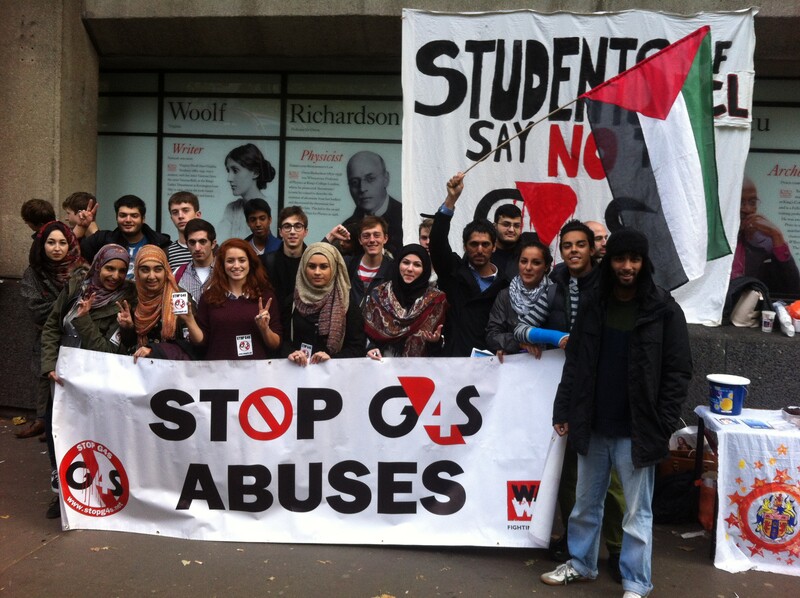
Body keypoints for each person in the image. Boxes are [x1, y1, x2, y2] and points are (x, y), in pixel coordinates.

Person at [541, 229, 692, 598]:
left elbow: (678, 371)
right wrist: (564, 408)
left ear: (644, 263)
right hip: (593, 422)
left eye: (634, 260)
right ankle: (581, 564)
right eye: (620, 259)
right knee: (584, 504)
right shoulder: (595, 301)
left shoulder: (664, 309)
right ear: (609, 262)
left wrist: (663, 422)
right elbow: (576, 362)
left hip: (637, 430)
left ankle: (636, 583)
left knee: (637, 514)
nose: (626, 267)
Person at [514, 219, 625, 577]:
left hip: (607, 387)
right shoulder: (556, 285)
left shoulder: (610, 285)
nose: (574, 251)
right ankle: (579, 552)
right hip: (570, 387)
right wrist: (555, 336)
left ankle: (620, 550)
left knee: (612, 480)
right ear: (560, 252)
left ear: (593, 249)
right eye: (567, 245)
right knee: (572, 476)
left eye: (580, 244)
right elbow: (519, 328)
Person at [40, 244, 135, 519]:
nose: (115, 275)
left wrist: (83, 320)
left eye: (120, 270)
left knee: (89, 438)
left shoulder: (124, 301)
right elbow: (51, 327)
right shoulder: (76, 288)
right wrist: (48, 366)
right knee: (57, 433)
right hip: (59, 378)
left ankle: (91, 494)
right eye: (109, 268)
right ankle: (61, 492)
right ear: (97, 266)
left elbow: (108, 352)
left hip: (93, 382)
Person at [17, 222, 85, 440]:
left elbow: (86, 305)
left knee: (70, 378)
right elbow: (35, 309)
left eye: (63, 242)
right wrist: (66, 305)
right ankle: (41, 420)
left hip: (77, 336)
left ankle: (60, 424)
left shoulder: (82, 270)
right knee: (43, 375)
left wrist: (60, 308)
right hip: (45, 334)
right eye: (51, 242)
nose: (57, 248)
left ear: (71, 244)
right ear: (42, 245)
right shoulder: (34, 273)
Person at [429, 172, 509, 356]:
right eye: (474, 244)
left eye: (485, 244)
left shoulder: (506, 284)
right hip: (456, 361)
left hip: (493, 364)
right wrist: (451, 200)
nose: (480, 249)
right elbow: (437, 241)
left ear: (494, 247)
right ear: (465, 247)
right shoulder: (453, 273)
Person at [181, 239, 281, 360]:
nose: (236, 266)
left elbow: (275, 344)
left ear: (250, 263)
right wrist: (189, 320)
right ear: (222, 265)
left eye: (242, 260)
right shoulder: (209, 297)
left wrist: (265, 329)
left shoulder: (265, 297)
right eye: (230, 261)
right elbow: (201, 342)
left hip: (256, 372)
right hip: (219, 372)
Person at [284, 243, 366, 365]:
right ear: (303, 268)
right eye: (311, 266)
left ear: (333, 268)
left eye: (323, 267)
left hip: (333, 378)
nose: (317, 272)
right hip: (297, 373)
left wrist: (332, 359)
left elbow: (357, 347)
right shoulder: (293, 301)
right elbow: (283, 340)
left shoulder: (346, 303)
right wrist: (291, 353)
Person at [363, 243, 447, 359]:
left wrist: (435, 342)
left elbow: (443, 348)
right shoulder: (379, 294)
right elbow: (366, 334)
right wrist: (370, 348)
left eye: (417, 265)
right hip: (382, 367)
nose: (410, 269)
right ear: (398, 264)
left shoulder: (436, 300)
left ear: (425, 269)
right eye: (406, 262)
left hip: (420, 371)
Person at [118, 246, 195, 361]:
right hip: (139, 369)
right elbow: (128, 344)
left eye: (158, 269)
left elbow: (190, 345)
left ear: (166, 271)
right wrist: (127, 329)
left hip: (172, 370)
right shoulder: (132, 298)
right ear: (137, 272)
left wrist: (155, 350)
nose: (151, 276)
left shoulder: (179, 299)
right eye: (145, 270)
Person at [486, 235, 552, 360]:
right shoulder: (505, 295)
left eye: (536, 262)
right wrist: (518, 343)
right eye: (523, 261)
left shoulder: (555, 294)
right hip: (516, 369)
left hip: (549, 366)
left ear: (546, 266)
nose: (528, 268)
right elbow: (492, 334)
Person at [731, 176, 800, 296]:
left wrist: (777, 236)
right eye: (741, 202)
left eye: (752, 202)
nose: (747, 209)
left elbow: (794, 290)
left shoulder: (765, 243)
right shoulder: (712, 241)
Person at [77, 195, 171, 278]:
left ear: (143, 219)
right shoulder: (103, 240)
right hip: (112, 296)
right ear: (116, 218)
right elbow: (71, 255)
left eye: (134, 216)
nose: (128, 220)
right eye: (123, 215)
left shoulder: (160, 243)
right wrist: (81, 227)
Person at [341, 151, 403, 256]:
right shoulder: (347, 228)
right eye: (355, 182)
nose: (362, 188)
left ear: (386, 179)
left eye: (370, 179)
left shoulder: (405, 218)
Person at [219, 143, 276, 241]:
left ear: (255, 172)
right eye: (229, 171)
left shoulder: (273, 207)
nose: (229, 178)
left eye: (235, 171)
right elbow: (221, 243)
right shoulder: (232, 208)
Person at [261, 206, 309, 313]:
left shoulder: (312, 262)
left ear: (305, 232)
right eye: (287, 226)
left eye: (298, 226)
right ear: (280, 232)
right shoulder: (265, 262)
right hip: (274, 321)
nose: (292, 231)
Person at [345, 216, 394, 309]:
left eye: (376, 235)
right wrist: (331, 236)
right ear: (360, 240)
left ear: (385, 238)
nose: (371, 240)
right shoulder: (348, 265)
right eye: (366, 236)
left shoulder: (394, 269)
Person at [175, 218, 217, 303]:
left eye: (202, 241)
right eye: (192, 242)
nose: (197, 248)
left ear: (213, 244)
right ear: (187, 244)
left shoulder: (225, 271)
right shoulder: (178, 274)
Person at [165, 191, 202, 268]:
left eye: (185, 210)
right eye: (175, 212)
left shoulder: (213, 250)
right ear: (172, 218)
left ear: (197, 215)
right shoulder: (166, 253)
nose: (180, 216)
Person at [491, 203, 523, 278]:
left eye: (516, 226)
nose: (511, 230)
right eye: (506, 224)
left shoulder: (527, 254)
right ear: (495, 226)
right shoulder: (482, 251)